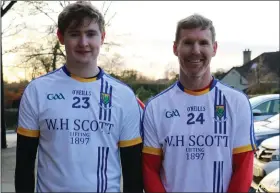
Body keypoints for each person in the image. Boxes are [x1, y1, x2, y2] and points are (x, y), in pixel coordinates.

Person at [15, 2, 144, 192]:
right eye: (74, 34)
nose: (83, 43)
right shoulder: (37, 91)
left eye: (91, 34)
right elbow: (24, 166)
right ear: (61, 37)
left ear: (102, 37)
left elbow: (133, 171)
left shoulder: (123, 95)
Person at [142, 14, 257, 192]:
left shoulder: (237, 102)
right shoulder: (156, 107)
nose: (195, 50)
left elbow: (243, 166)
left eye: (203, 43)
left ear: (214, 48)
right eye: (188, 42)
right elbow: (150, 168)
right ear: (175, 48)